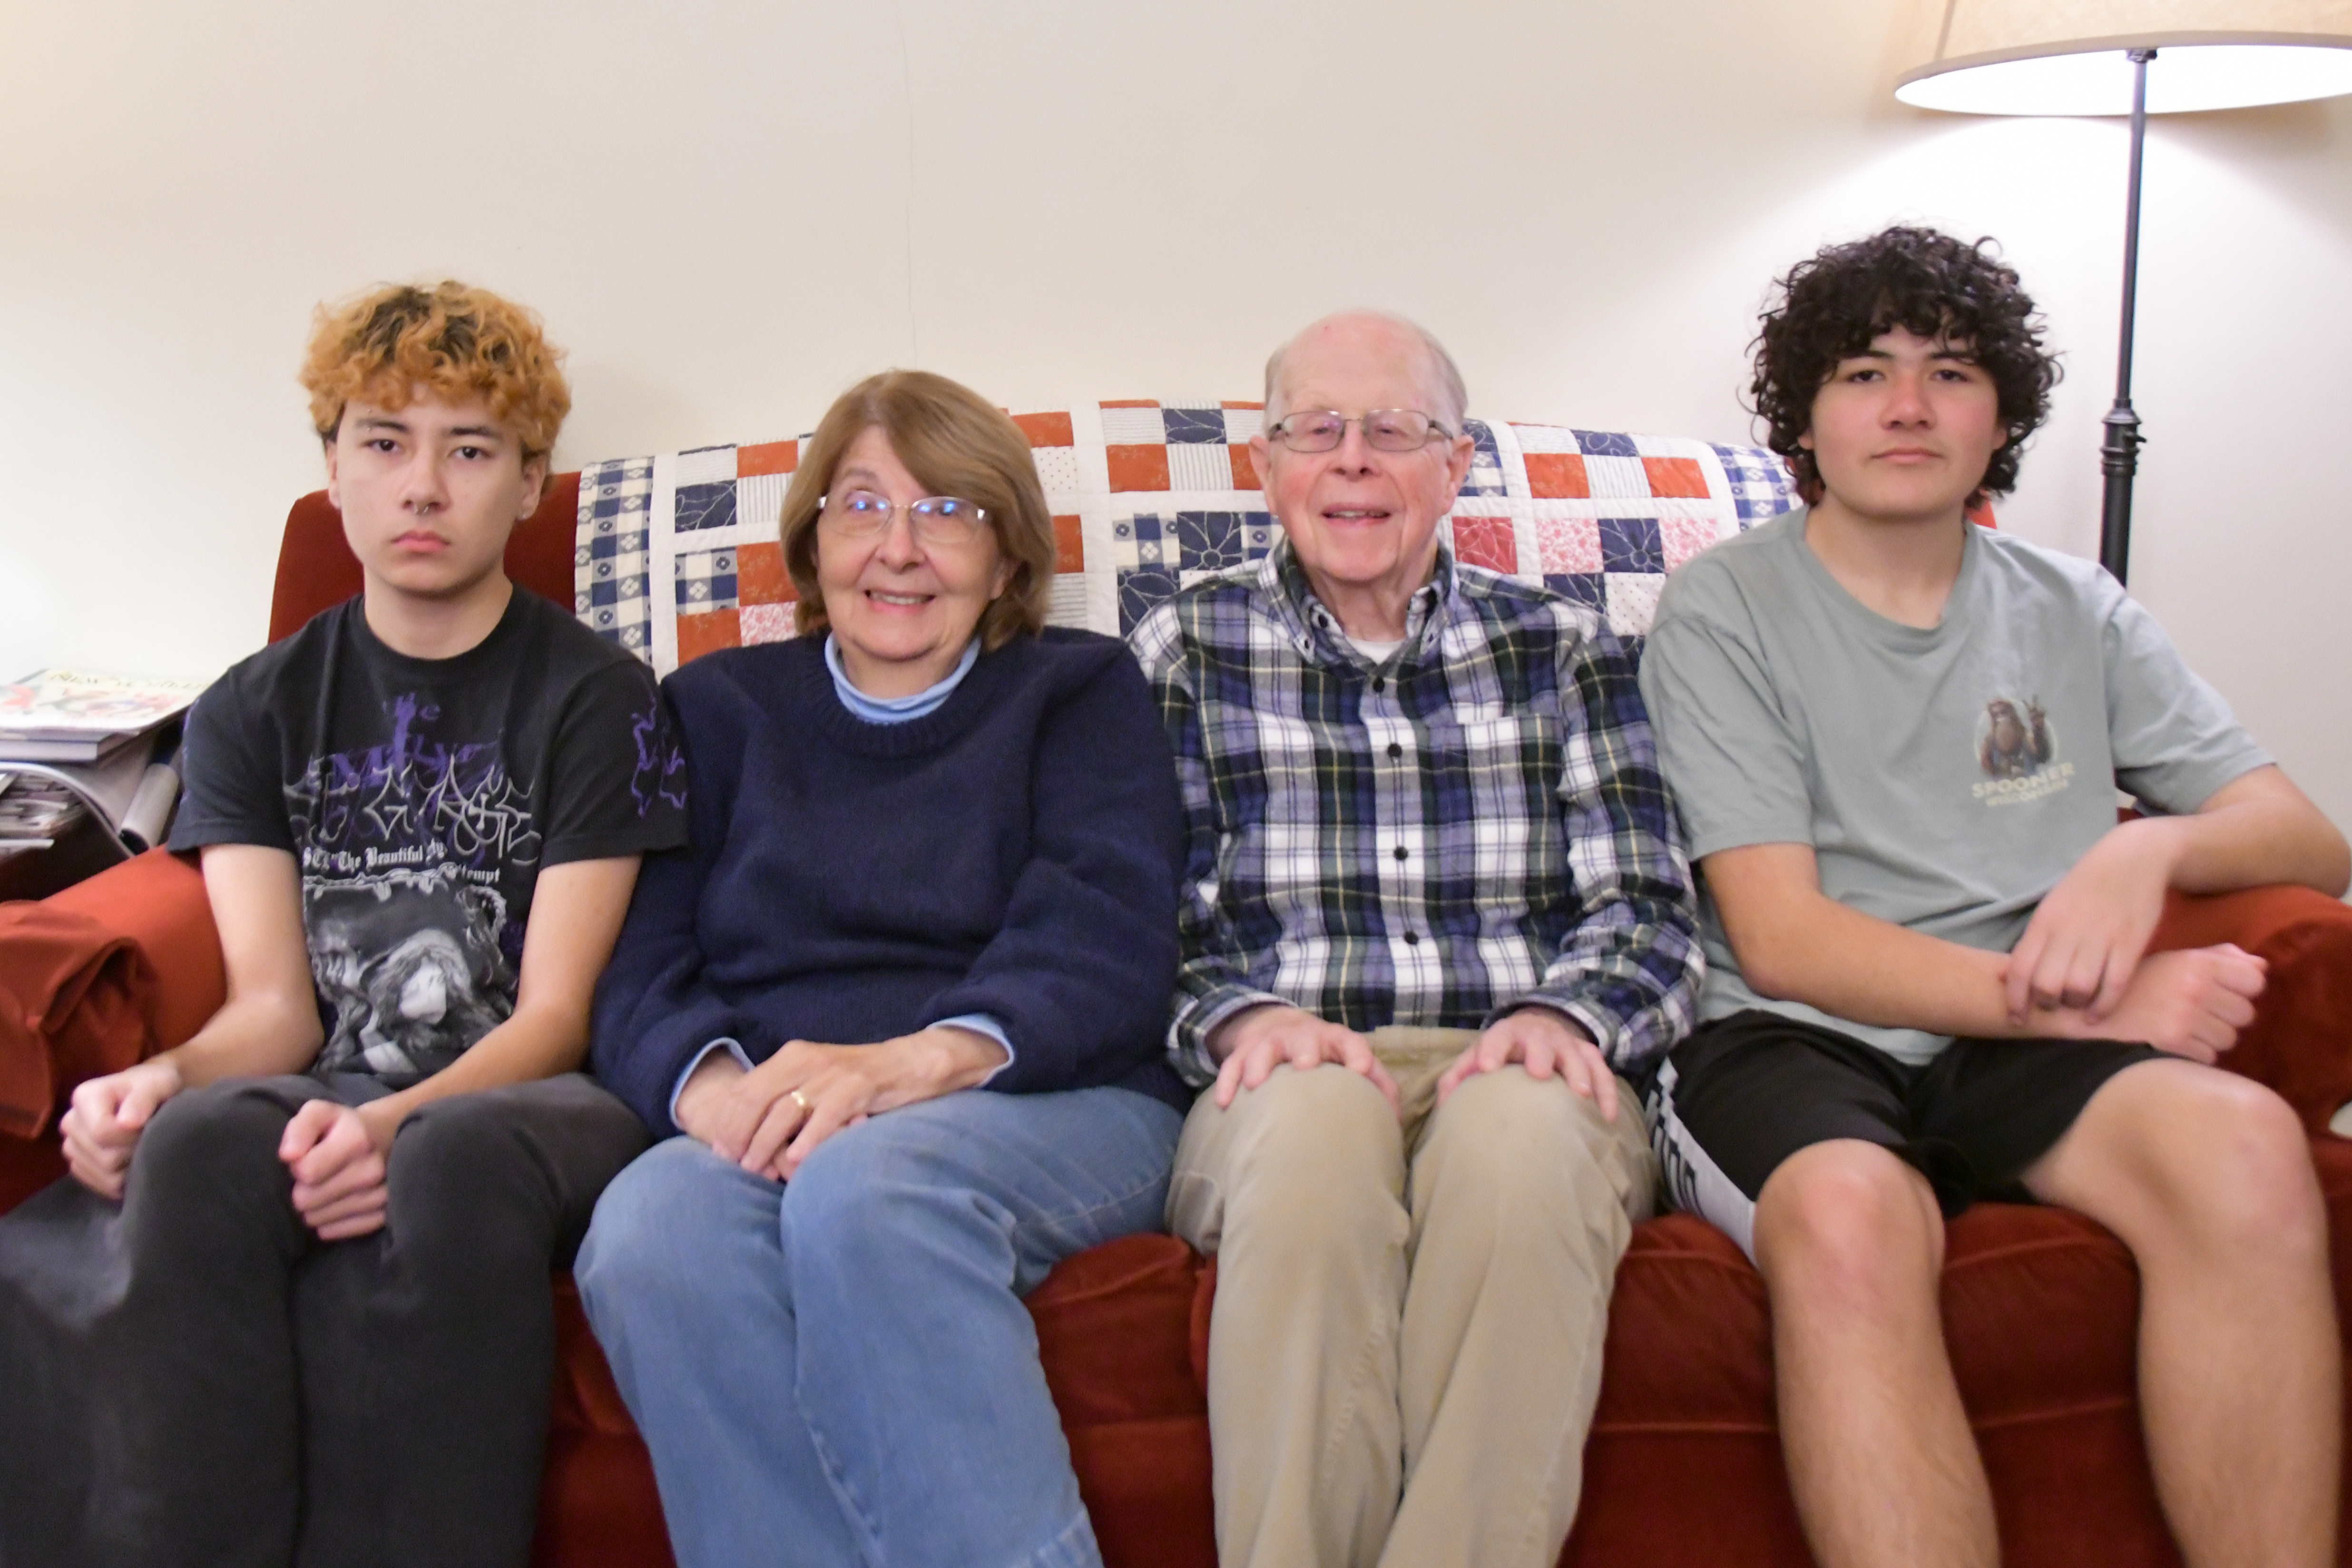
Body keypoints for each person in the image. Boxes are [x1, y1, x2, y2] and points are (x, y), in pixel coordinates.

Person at [1638, 225, 2350, 1568]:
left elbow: (2309, 841)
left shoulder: (2078, 606)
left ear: (2002, 416)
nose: (1908, 405)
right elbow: (1783, 941)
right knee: (1853, 1217)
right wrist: (2082, 1007)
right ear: (1807, 418)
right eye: (1865, 373)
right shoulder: (1723, 609)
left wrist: (2146, 852)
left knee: (2248, 1147)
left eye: (1951, 372)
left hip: (2017, 1044)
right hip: (1791, 1039)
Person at [0, 281, 688, 1568]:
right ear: (332, 469)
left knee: (447, 1161)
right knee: (198, 1139)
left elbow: (558, 1017)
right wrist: (157, 1079)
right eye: (384, 442)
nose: (422, 487)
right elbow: (273, 1010)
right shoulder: (253, 707)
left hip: (539, 1101)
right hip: (327, 1077)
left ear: (530, 484)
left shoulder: (600, 698)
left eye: (469, 450)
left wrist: (391, 1123)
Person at [575, 369, 1188, 1568]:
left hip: (1049, 1094)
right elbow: (639, 959)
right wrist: (721, 1099)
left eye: (948, 511)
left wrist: (900, 1068)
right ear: (812, 546)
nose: (899, 549)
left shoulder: (1077, 690)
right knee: (651, 1229)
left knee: (872, 1189)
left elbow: (1106, 939)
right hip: (784, 1106)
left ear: (1007, 560)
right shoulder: (715, 708)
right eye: (861, 507)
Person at [1127, 310, 1703, 1568]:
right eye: (1316, 430)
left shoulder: (1563, 647)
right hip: (1282, 1059)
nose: (1353, 459)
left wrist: (1560, 1016)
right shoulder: (1182, 649)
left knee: (1523, 1151)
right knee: (1315, 1143)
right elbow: (1135, 917)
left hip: (1520, 1052)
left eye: (1394, 430)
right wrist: (1243, 1017)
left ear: (1457, 465)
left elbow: (1650, 910)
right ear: (1266, 466)